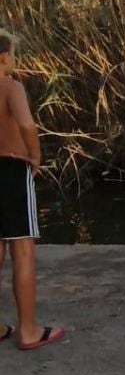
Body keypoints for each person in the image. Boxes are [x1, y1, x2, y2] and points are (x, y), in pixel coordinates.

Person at [0, 31, 64, 350]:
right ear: (3, 57)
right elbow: (27, 124)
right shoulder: (11, 86)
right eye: (11, 55)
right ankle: (27, 330)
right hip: (11, 169)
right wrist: (35, 157)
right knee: (22, 250)